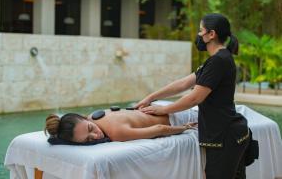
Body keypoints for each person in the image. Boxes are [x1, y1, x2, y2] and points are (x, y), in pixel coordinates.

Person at [135, 13, 249, 179]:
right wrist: (151, 97)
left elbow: (195, 98)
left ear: (212, 34)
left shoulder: (219, 61)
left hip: (225, 136)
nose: (198, 35)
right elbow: (183, 84)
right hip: (228, 133)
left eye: (201, 30)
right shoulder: (216, 60)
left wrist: (163, 110)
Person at [45, 108, 197, 143]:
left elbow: (160, 130)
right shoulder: (93, 116)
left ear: (84, 118)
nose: (95, 135)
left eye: (90, 129)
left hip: (180, 117)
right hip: (170, 109)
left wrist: (185, 127)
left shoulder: (117, 133)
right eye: (88, 140)